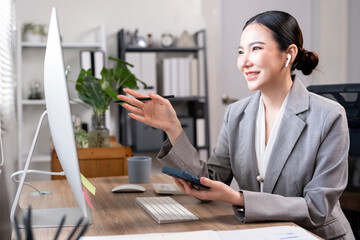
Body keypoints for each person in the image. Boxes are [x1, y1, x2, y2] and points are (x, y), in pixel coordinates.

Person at [118, 11, 354, 240]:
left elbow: (317, 208)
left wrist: (240, 199)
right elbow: (212, 178)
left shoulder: (329, 116)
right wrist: (172, 127)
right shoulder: (237, 113)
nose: (245, 61)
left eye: (256, 48)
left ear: (288, 54)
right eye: (241, 51)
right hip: (259, 232)